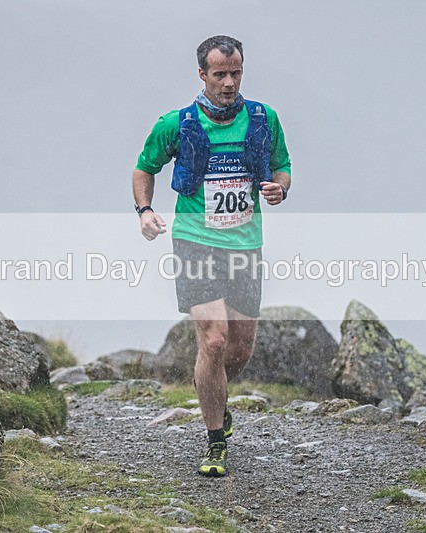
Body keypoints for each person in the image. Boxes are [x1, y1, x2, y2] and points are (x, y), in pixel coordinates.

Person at [131, 35, 291, 477]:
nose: (228, 82)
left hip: (245, 244)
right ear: (202, 74)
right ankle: (215, 439)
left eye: (235, 73)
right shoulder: (176, 124)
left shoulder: (263, 118)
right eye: (219, 74)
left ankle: (214, 397)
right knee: (214, 340)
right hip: (194, 239)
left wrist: (280, 187)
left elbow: (283, 166)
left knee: (239, 350)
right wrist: (145, 211)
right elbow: (145, 168)